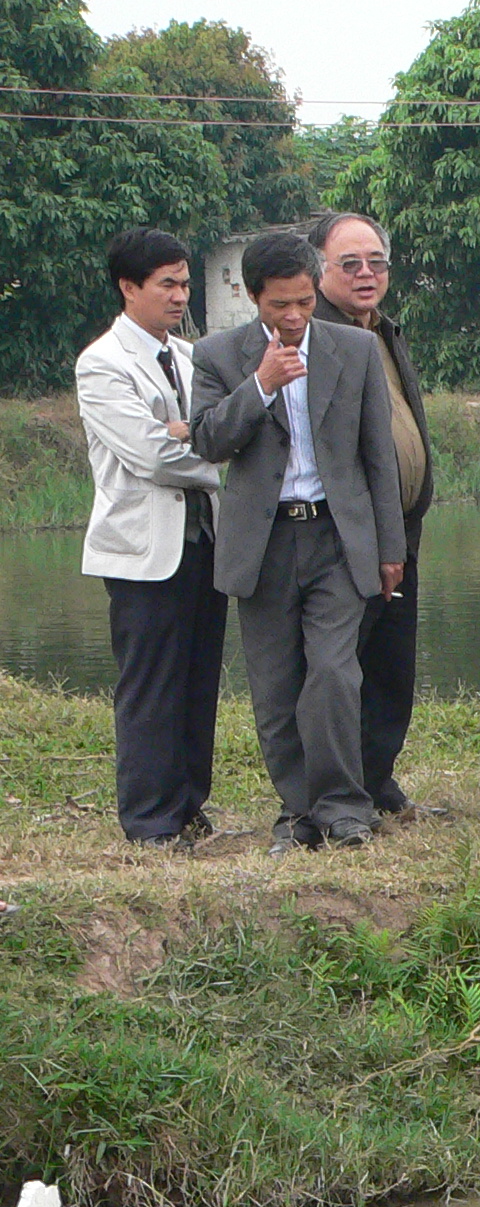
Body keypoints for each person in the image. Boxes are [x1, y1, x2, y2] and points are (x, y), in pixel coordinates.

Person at [191, 228, 406, 851]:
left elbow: (378, 458)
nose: (294, 316)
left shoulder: (355, 349)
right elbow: (207, 441)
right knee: (276, 684)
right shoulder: (219, 355)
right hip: (264, 542)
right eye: (279, 305)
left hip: (338, 537)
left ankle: (345, 805)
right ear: (252, 297)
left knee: (335, 673)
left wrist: (390, 548)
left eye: (305, 302)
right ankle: (298, 810)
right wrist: (259, 385)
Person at [75, 227, 227, 847]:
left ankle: (189, 805)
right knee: (150, 685)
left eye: (186, 283)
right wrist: (213, 451)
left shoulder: (192, 358)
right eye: (167, 284)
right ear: (128, 286)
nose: (180, 296)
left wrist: (188, 431)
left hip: (205, 541)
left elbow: (202, 432)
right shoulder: (103, 363)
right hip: (143, 550)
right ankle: (149, 820)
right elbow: (152, 455)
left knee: (198, 679)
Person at [309, 211, 434, 819]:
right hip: (347, 533)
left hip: (402, 528)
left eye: (376, 262)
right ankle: (340, 791)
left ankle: (379, 782)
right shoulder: (317, 336)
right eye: (350, 264)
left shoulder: (385, 330)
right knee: (345, 664)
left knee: (393, 663)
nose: (366, 274)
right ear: (320, 271)